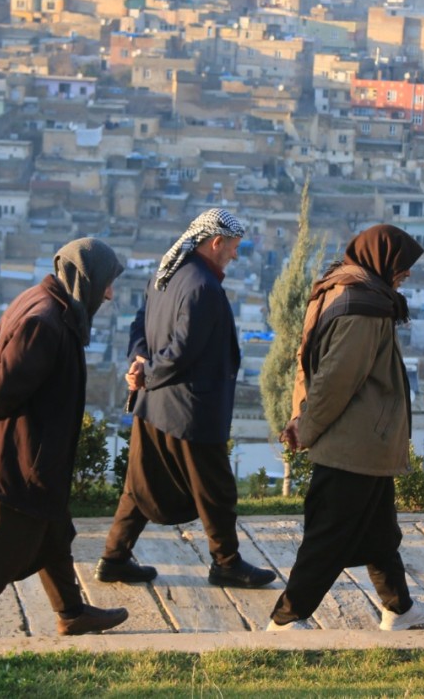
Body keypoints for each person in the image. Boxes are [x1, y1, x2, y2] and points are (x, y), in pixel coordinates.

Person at [0, 238, 129, 638]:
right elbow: (4, 385)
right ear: (86, 280)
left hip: (33, 455)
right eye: (106, 283)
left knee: (54, 534)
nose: (109, 294)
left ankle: (72, 612)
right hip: (21, 463)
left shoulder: (40, 302)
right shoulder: (44, 322)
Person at [267, 224, 424, 631]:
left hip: (365, 442)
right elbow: (335, 380)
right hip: (355, 444)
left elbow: (306, 358)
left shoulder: (340, 287)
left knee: (381, 533)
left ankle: (398, 609)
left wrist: (300, 415)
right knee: (328, 538)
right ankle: (285, 619)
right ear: (382, 260)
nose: (406, 274)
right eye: (402, 265)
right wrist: (306, 427)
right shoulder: (364, 306)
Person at [96, 208, 275, 589]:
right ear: (215, 243)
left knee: (140, 485)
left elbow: (138, 326)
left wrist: (139, 362)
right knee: (216, 491)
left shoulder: (165, 274)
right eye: (233, 247)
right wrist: (147, 371)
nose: (235, 256)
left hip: (153, 408)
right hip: (190, 411)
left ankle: (114, 557)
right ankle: (226, 563)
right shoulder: (203, 289)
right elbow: (181, 352)